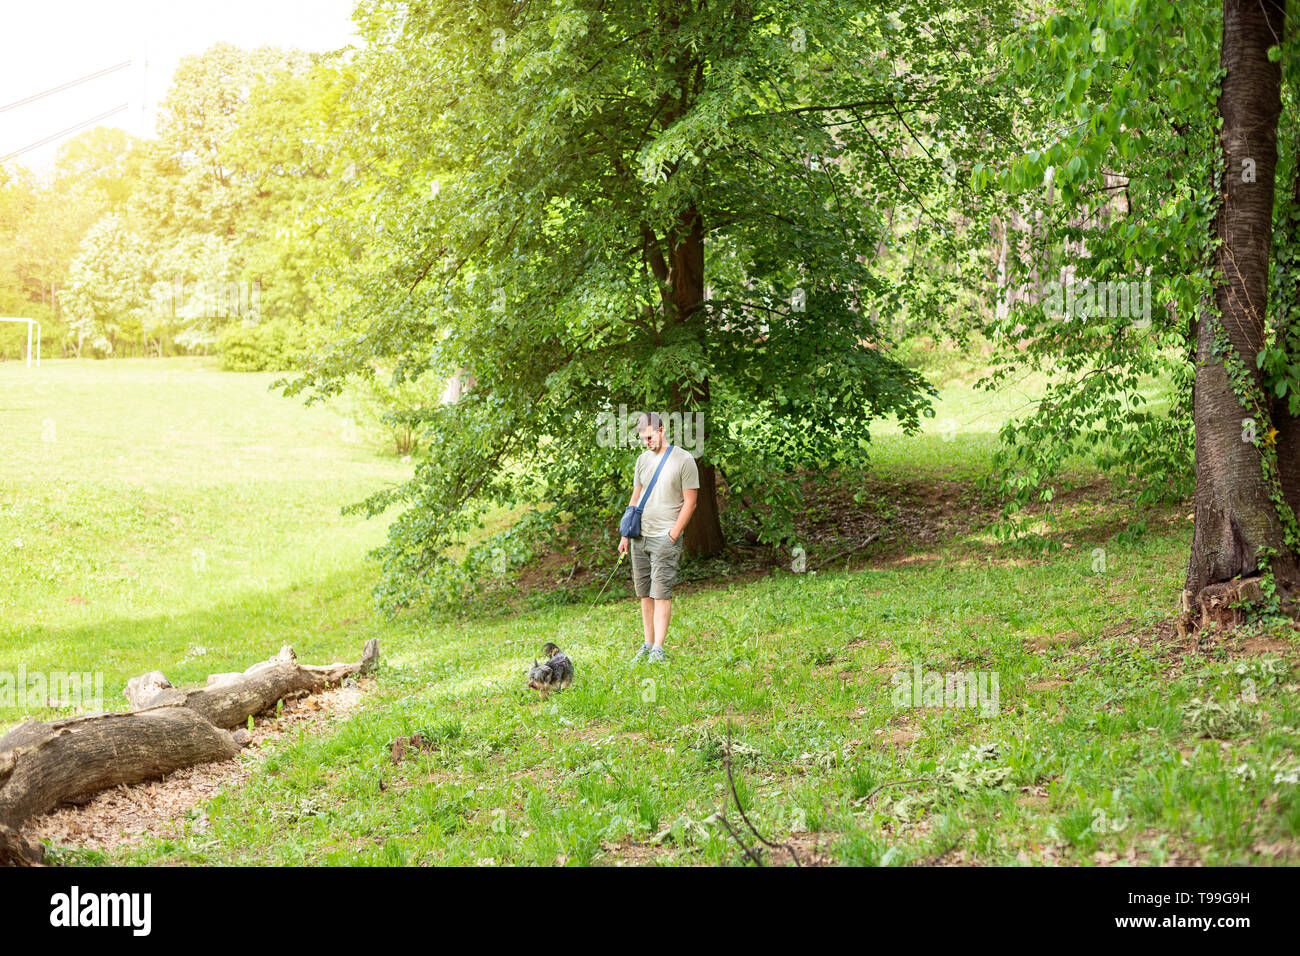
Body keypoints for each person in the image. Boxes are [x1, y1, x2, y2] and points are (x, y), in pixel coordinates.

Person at [620, 412, 699, 664]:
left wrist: (673, 535)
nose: (647, 442)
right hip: (639, 536)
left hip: (665, 537)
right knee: (644, 593)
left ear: (662, 430)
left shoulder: (683, 460)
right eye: (643, 438)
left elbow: (691, 502)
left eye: (651, 437)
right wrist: (625, 532)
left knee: (660, 593)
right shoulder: (642, 460)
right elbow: (636, 497)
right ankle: (647, 643)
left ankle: (659, 649)